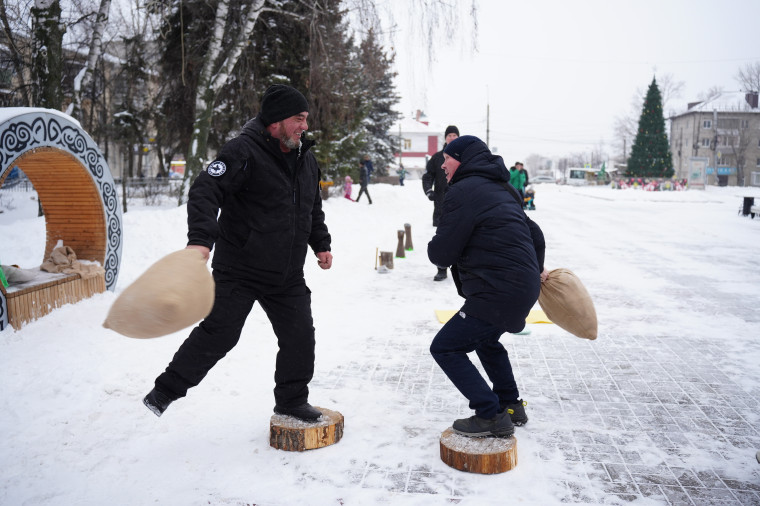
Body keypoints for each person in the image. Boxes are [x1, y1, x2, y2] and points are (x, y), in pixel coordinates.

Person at [143, 84, 333, 422]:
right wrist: (201, 239)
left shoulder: (305, 158)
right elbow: (205, 191)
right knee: (220, 334)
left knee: (300, 337)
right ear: (275, 121)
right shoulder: (242, 152)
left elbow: (311, 207)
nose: (305, 126)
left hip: (287, 274)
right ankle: (165, 391)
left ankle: (291, 401)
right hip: (240, 271)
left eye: (305, 119)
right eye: (298, 119)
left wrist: (321, 243)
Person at [427, 135, 548, 438]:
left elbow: (442, 254)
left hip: (498, 290)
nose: (442, 165)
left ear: (461, 160)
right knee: (486, 340)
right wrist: (535, 269)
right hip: (520, 287)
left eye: (447, 158)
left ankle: (490, 414)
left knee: (445, 347)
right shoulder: (503, 189)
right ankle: (511, 404)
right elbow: (535, 233)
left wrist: (435, 245)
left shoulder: (462, 191)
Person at [422, 125, 459, 281]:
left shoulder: (463, 156)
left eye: (454, 135)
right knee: (442, 238)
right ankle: (441, 269)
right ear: (445, 138)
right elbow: (428, 176)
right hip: (441, 203)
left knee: (461, 236)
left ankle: (461, 269)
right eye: (449, 135)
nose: (452, 138)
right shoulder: (437, 157)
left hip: (461, 202)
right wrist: (428, 191)